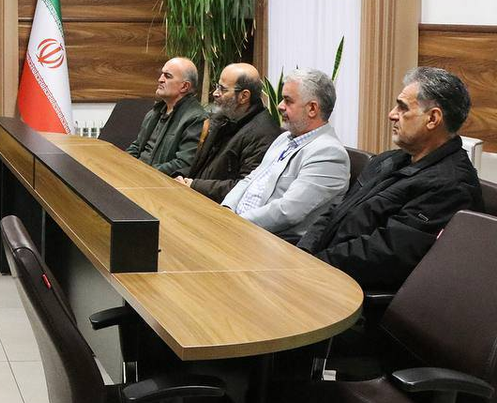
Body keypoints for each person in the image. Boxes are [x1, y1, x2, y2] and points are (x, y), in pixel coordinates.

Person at [299, 67, 482, 289]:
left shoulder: (451, 186)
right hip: (320, 270)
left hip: (352, 291)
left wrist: (314, 266)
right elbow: (336, 211)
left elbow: (385, 254)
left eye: (403, 108)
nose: (392, 114)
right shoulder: (388, 160)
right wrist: (303, 252)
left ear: (433, 118)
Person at [222, 69, 349, 242]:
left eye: (288, 101)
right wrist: (226, 209)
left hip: (270, 242)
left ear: (312, 108)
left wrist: (235, 223)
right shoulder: (285, 138)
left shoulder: (329, 154)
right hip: (239, 227)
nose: (280, 106)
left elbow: (288, 211)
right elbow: (251, 179)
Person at [177, 63, 281, 201]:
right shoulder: (223, 118)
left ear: (244, 96)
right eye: (217, 86)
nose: (215, 93)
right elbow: (201, 166)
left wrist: (195, 185)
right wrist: (180, 177)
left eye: (223, 89)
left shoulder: (263, 134)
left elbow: (246, 187)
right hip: (196, 196)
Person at [125, 57, 205, 176]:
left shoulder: (196, 119)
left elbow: (183, 164)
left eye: (167, 76)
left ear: (184, 86)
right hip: (136, 175)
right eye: (161, 74)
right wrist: (122, 165)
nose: (160, 79)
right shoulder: (155, 111)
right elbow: (136, 147)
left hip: (154, 181)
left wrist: (142, 173)